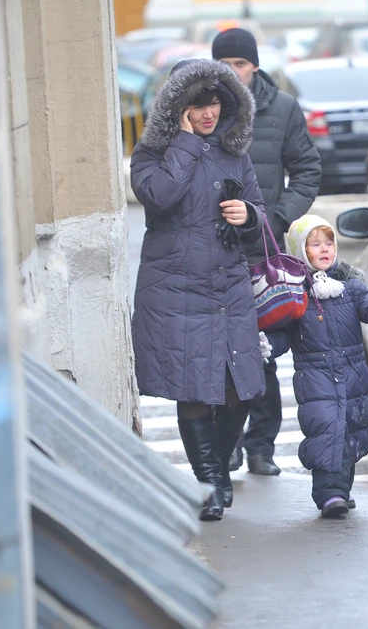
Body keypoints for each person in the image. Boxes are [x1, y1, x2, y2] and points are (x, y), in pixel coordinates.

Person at [130, 58, 272, 522]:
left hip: (228, 285)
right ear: (177, 108)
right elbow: (160, 196)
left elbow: (261, 219)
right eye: (197, 104)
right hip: (176, 287)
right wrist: (187, 143)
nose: (208, 113)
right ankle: (209, 482)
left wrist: (249, 217)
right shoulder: (150, 154)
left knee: (239, 390)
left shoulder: (236, 152)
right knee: (192, 388)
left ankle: (220, 468)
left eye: (213, 102)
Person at [212, 28, 323, 477]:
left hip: (262, 250)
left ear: (253, 66)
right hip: (216, 250)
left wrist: (275, 219)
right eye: (224, 64)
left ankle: (261, 445)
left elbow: (308, 169)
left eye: (239, 64)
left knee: (261, 349)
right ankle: (230, 443)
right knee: (219, 350)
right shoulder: (208, 109)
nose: (231, 72)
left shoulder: (282, 109)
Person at [263, 214, 368, 518]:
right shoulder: (295, 292)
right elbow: (284, 335)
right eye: (316, 244)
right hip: (316, 380)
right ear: (300, 251)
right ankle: (329, 494)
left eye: (329, 243)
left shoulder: (350, 286)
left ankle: (341, 489)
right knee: (326, 432)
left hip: (353, 377)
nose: (325, 249)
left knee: (351, 433)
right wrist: (267, 346)